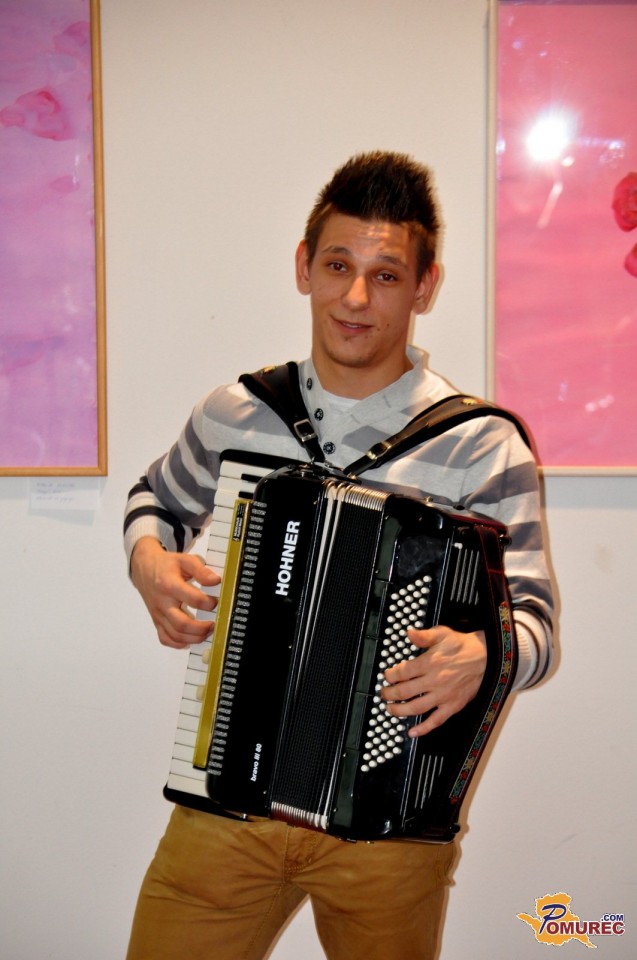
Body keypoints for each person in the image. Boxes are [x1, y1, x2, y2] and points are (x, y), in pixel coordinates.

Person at [123, 151, 554, 960]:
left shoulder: (482, 446)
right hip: (226, 809)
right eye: (336, 266)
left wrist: (483, 653)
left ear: (423, 286)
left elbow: (536, 627)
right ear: (304, 267)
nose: (355, 298)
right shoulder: (237, 412)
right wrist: (149, 560)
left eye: (385, 276)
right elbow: (156, 500)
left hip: (387, 831)